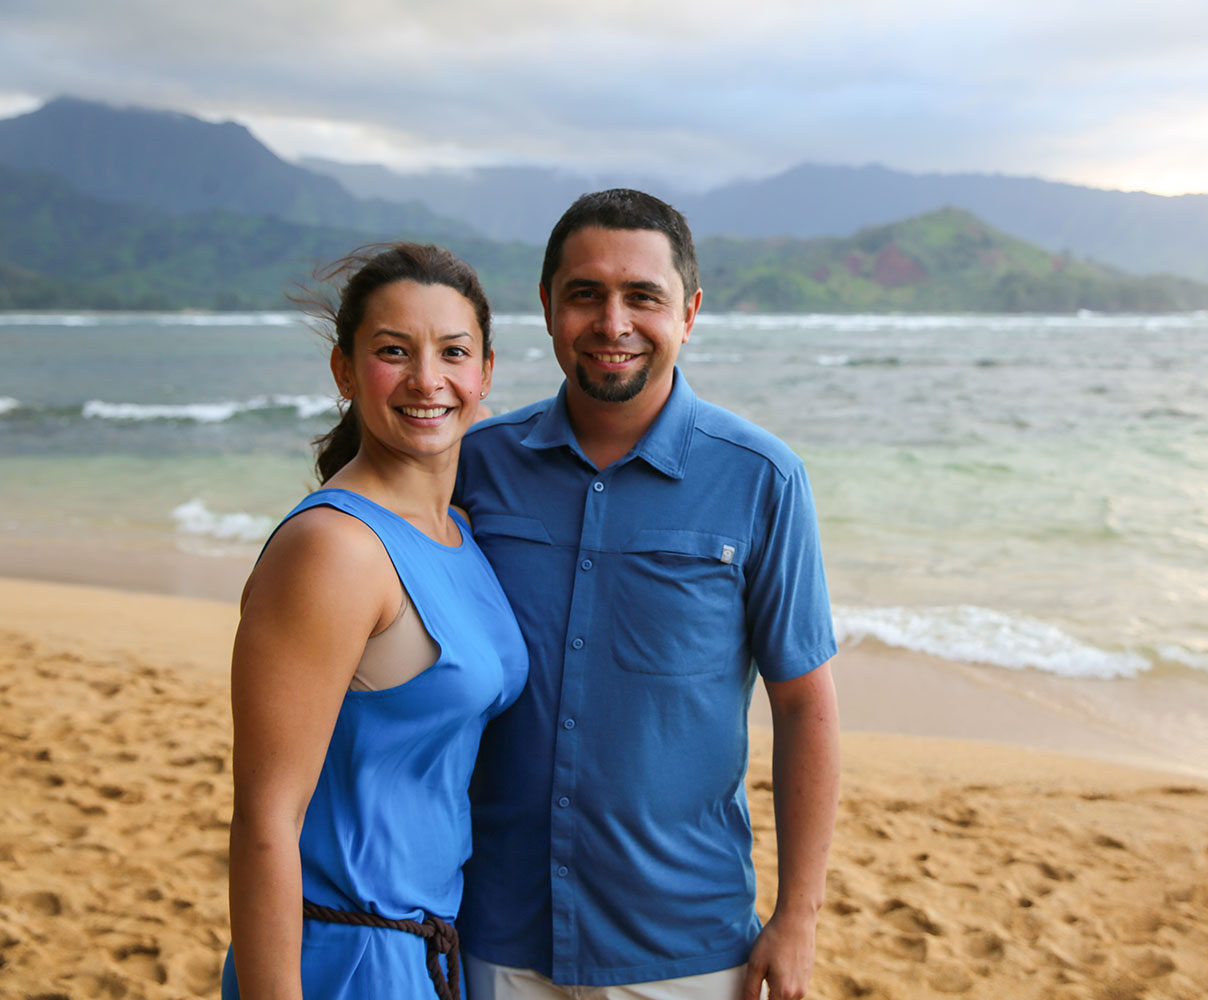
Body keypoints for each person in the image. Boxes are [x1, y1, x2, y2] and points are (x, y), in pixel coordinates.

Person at [455, 190, 841, 1000]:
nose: (613, 322)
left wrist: (797, 914)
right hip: (495, 928)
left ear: (689, 312)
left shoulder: (762, 479)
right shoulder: (474, 465)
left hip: (688, 947)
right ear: (548, 307)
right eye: (586, 294)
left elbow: (805, 704)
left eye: (643, 296)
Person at [223, 243, 528, 1000]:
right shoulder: (334, 550)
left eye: (452, 352)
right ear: (345, 371)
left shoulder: (459, 532)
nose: (428, 380)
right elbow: (266, 820)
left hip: (431, 956)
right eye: (394, 351)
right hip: (345, 962)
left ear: (485, 372)